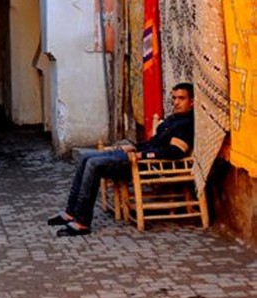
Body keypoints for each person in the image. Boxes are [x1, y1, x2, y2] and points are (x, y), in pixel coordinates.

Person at [48, 82, 195, 237]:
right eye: (174, 98)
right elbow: (153, 143)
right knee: (85, 158)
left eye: (181, 98)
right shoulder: (172, 119)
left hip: (145, 165)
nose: (176, 102)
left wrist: (142, 155)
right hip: (135, 157)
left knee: (93, 164)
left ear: (192, 102)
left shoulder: (187, 123)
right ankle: (70, 213)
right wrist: (136, 147)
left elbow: (175, 152)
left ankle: (82, 222)